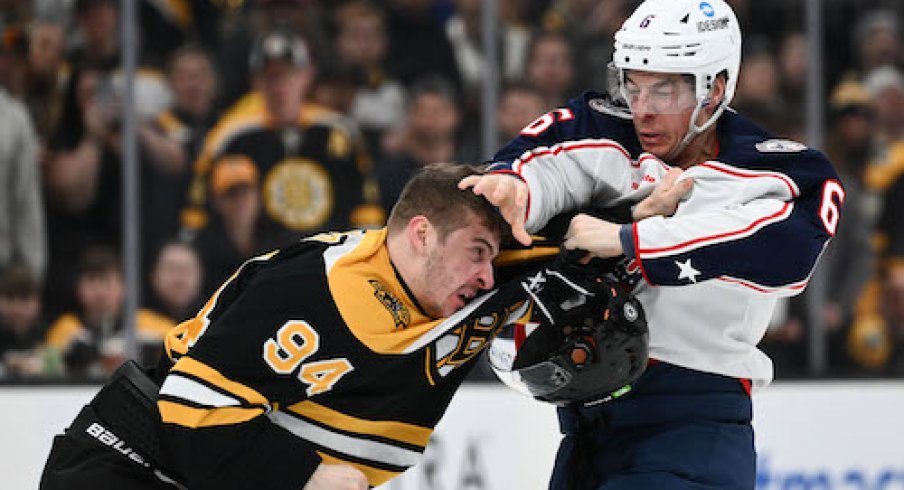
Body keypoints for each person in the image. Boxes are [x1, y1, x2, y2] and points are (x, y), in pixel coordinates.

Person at [40, 162, 634, 489]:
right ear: (421, 235)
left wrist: (641, 220)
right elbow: (196, 413)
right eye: (478, 252)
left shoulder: (450, 276)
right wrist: (313, 478)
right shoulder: (320, 292)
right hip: (128, 464)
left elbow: (562, 243)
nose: (488, 275)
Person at [460, 0, 843, 488]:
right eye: (634, 86)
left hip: (693, 425)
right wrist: (515, 188)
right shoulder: (598, 124)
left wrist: (628, 239)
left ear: (716, 88)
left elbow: (786, 255)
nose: (642, 109)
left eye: (664, 90)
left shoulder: (781, 173)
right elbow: (541, 163)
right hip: (583, 429)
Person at [181, 30, 384, 240]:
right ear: (255, 81)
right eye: (269, 76)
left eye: (287, 74)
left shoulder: (337, 133)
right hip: (261, 261)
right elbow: (197, 214)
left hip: (330, 258)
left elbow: (366, 206)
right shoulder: (232, 137)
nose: (279, 86)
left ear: (307, 75)